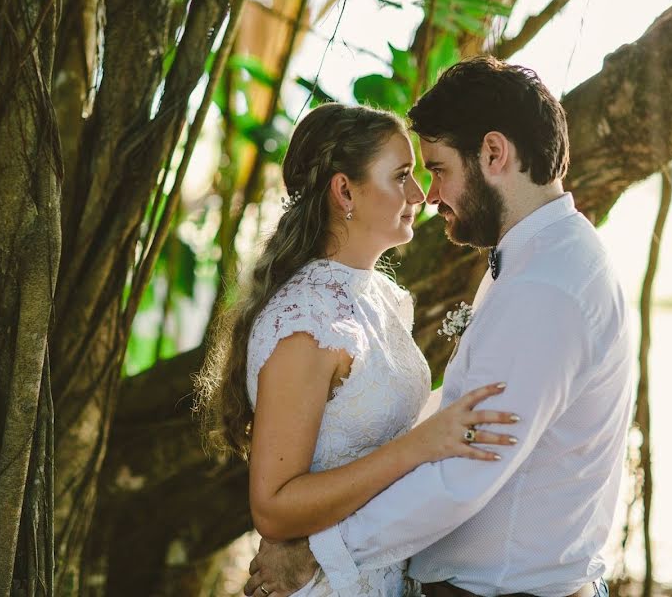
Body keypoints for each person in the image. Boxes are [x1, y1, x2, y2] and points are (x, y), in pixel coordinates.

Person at [242, 57, 633, 597]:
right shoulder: (536, 261)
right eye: (410, 175)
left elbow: (464, 473)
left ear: (493, 154)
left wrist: (321, 554)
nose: (429, 195)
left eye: (439, 170)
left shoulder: (544, 286)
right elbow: (456, 421)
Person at [194, 101, 521, 597]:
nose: (420, 194)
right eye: (401, 176)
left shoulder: (379, 297)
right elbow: (274, 507)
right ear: (344, 190)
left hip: (379, 570)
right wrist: (421, 445)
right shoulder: (306, 321)